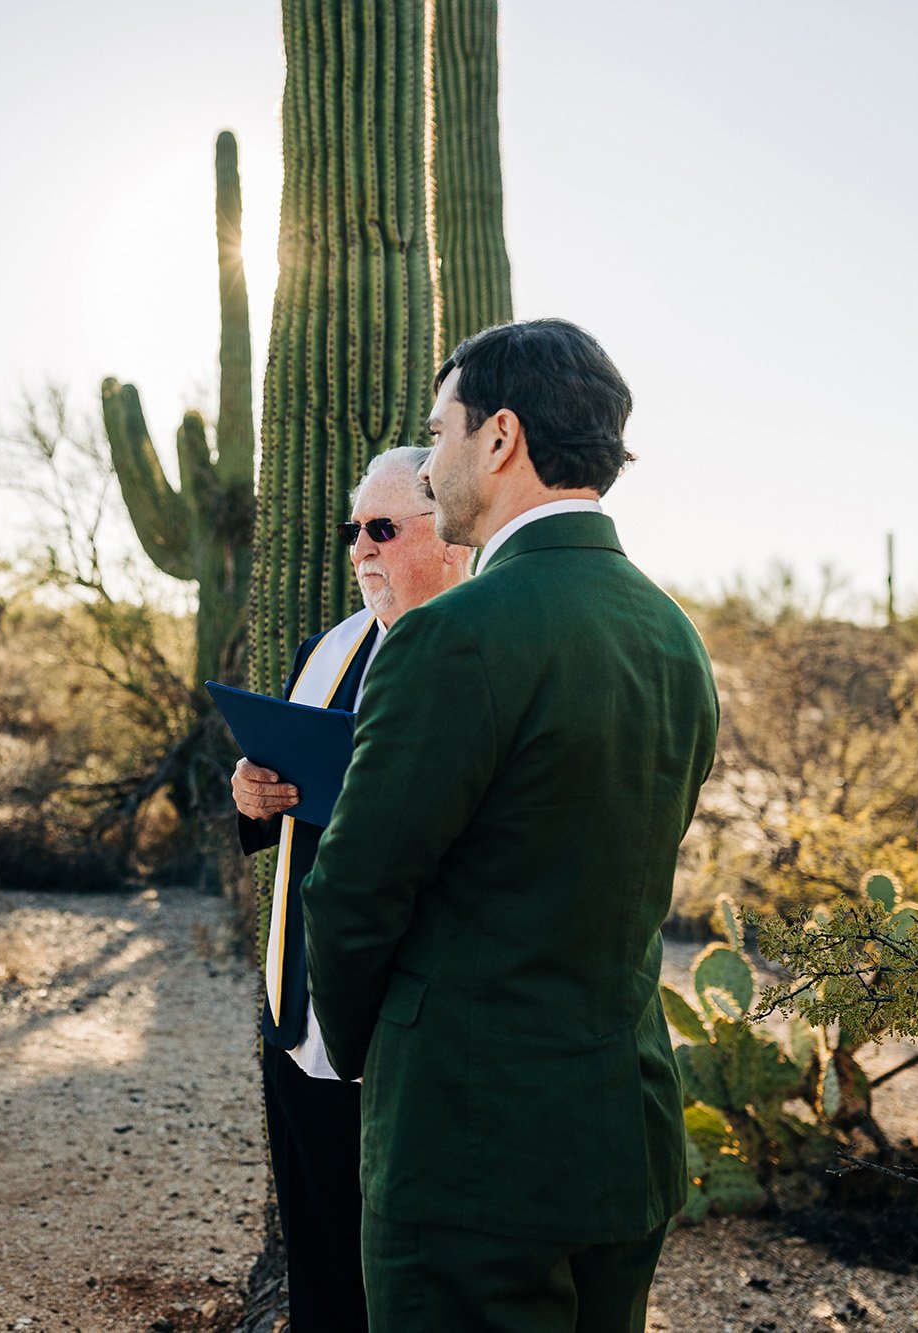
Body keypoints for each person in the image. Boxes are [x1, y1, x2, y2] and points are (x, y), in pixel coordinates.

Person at [299, 319, 720, 1333]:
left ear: (497, 438)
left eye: (438, 429)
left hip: (466, 1149)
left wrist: (375, 1060)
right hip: (623, 1135)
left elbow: (352, 890)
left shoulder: (449, 636)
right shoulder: (673, 636)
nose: (431, 455)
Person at [231, 446, 468, 1333]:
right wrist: (249, 795)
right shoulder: (326, 649)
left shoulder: (480, 648)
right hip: (301, 1014)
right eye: (351, 532)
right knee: (323, 1261)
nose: (362, 550)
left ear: (448, 534)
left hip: (417, 1026)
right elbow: (286, 796)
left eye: (382, 528)